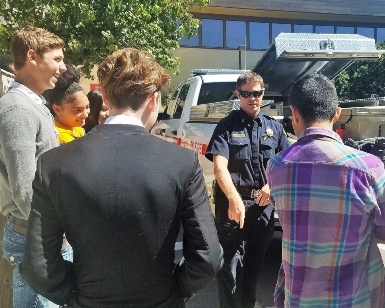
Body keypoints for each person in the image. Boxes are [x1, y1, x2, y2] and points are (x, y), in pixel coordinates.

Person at [20, 47, 223, 308]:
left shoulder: (53, 163)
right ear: (153, 99)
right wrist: (172, 292)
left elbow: (38, 265)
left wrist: (76, 296)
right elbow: (208, 257)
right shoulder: (182, 162)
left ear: (105, 96)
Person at [267, 73, 385, 308]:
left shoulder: (277, 167)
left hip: (298, 298)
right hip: (355, 298)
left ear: (294, 113)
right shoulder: (369, 168)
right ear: (337, 113)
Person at [205, 71, 291, 308]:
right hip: (233, 209)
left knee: (253, 270)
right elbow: (220, 167)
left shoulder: (275, 127)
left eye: (257, 93)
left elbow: (286, 162)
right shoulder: (226, 126)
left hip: (262, 211)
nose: (252, 98)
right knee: (230, 273)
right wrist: (233, 198)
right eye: (246, 93)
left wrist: (269, 185)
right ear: (238, 94)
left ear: (263, 93)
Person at [0, 26, 67, 308]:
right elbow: (25, 191)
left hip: (39, 234)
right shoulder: (17, 109)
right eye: (57, 59)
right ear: (32, 57)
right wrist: (56, 229)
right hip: (34, 236)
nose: (63, 67)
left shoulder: (32, 104)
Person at [43, 64, 90, 144]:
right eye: (78, 110)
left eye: (87, 107)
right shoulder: (60, 138)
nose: (85, 115)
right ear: (57, 109)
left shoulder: (77, 129)